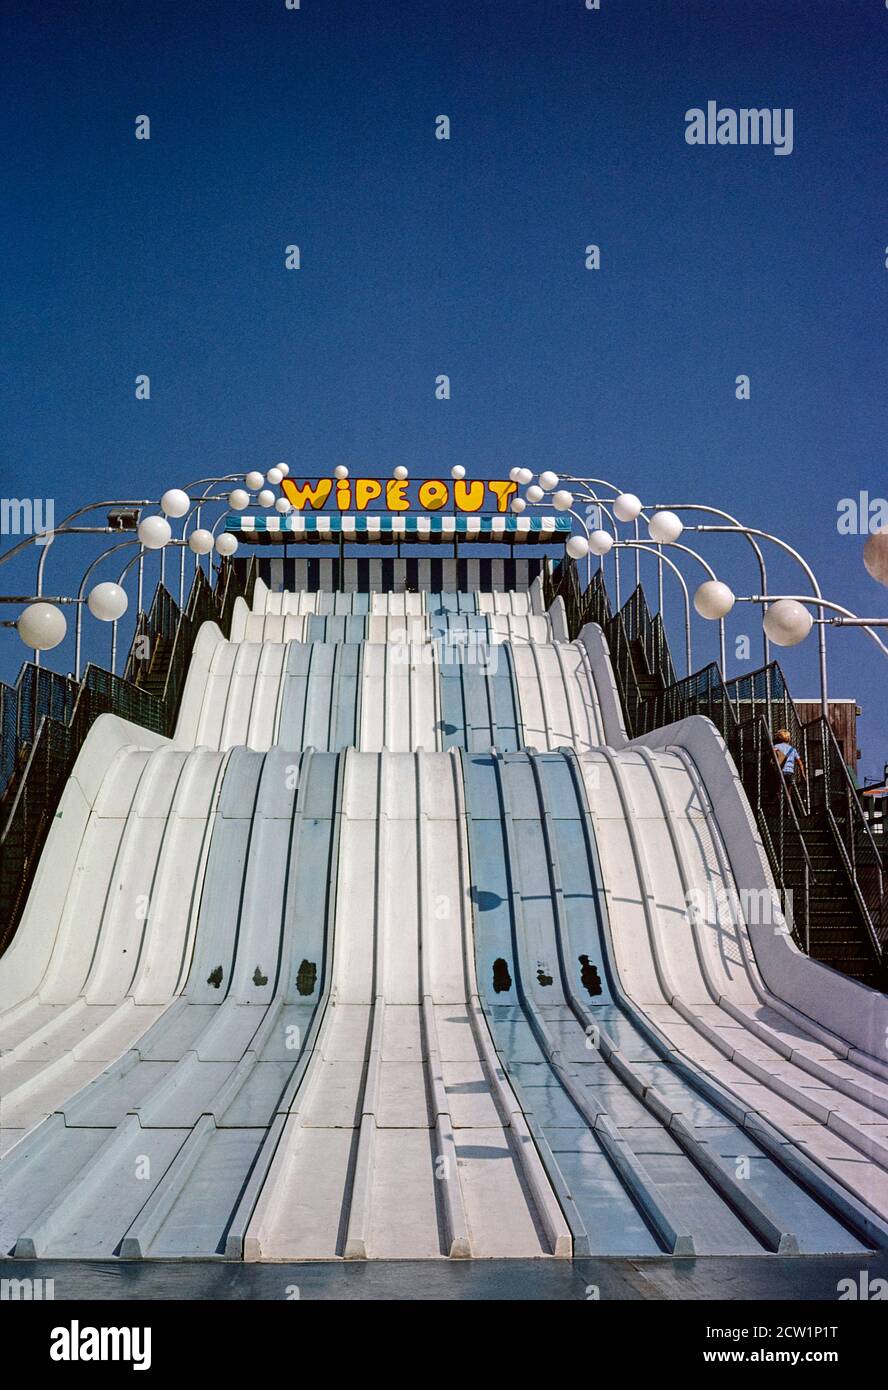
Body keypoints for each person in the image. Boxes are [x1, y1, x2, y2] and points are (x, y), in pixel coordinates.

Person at [773, 729, 806, 794]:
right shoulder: (792, 749)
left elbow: (773, 753)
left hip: (780, 771)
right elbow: (799, 762)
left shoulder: (776, 746)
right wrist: (802, 774)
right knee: (788, 791)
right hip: (790, 772)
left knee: (778, 789)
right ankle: (788, 802)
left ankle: (779, 800)